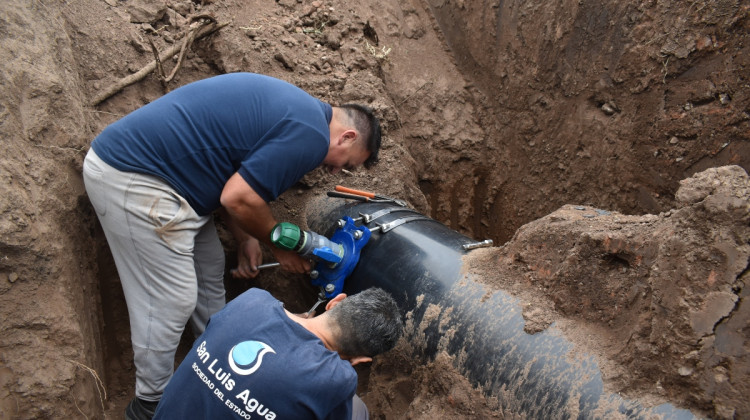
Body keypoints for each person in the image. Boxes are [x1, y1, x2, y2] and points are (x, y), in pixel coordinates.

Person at [82, 73, 382, 420]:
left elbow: (232, 174)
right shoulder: (311, 136)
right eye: (344, 164)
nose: (334, 173)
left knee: (210, 269)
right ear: (347, 136)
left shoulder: (300, 112)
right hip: (138, 180)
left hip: (170, 185)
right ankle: (148, 403)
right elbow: (237, 196)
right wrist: (277, 246)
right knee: (170, 299)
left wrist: (245, 238)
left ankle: (214, 359)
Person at [152, 287, 402, 419]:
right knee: (357, 411)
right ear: (360, 361)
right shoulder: (337, 379)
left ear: (335, 302)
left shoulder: (252, 300)